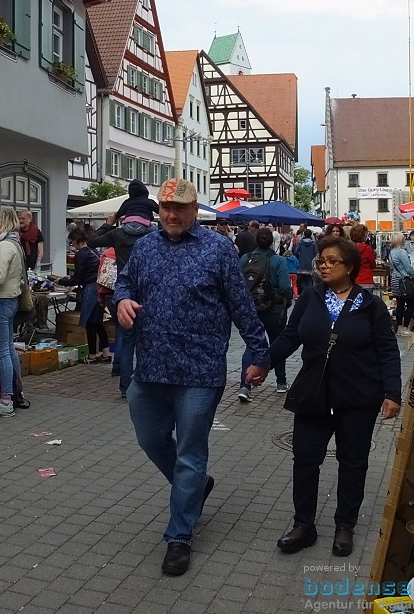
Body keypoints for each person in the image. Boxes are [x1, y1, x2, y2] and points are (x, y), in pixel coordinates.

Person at [113, 178, 270, 576]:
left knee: (189, 453)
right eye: (165, 206)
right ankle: (197, 487)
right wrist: (122, 300)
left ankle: (179, 536)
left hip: (199, 372)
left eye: (179, 208)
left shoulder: (217, 248)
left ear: (194, 209)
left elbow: (240, 304)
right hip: (149, 369)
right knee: (150, 439)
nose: (170, 214)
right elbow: (125, 281)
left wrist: (259, 353)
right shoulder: (146, 245)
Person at [270, 236, 401, 557]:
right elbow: (290, 337)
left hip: (358, 397)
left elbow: (387, 350)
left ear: (350, 267)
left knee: (353, 462)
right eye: (321, 261)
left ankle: (345, 526)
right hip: (314, 395)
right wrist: (261, 362)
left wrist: (392, 393)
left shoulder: (370, 305)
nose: (324, 266)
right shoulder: (310, 298)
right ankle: (304, 525)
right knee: (304, 460)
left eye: (331, 261)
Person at [89, 214, 153, 395]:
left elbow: (92, 241)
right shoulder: (152, 234)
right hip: (147, 293)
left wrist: (108, 223)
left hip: (120, 293)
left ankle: (124, 385)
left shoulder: (116, 237)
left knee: (125, 339)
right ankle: (144, 383)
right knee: (145, 340)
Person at [237, 227, 292, 400]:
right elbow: (284, 286)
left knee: (251, 346)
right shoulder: (278, 261)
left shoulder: (246, 259)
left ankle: (245, 386)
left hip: (252, 309)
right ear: (272, 242)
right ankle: (281, 382)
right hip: (274, 310)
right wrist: (287, 301)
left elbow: (238, 283)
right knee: (278, 343)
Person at [0, 208, 26, 419]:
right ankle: (16, 394)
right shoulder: (15, 243)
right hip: (10, 300)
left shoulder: (3, 246)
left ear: (2, 223)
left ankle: (6, 401)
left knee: (1, 352)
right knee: (8, 349)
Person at [59, 228, 110, 362]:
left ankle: (92, 355)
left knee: (89, 323)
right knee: (98, 323)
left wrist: (62, 281)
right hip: (100, 288)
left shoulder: (81, 255)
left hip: (90, 289)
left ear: (76, 241)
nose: (72, 245)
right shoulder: (94, 251)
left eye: (72, 243)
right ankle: (106, 353)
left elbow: (78, 278)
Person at [387, 232, 414, 335]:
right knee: (411, 303)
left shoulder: (392, 252)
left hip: (395, 279)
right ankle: (405, 327)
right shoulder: (402, 252)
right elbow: (408, 268)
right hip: (405, 280)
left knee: (400, 304)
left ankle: (399, 327)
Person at [293, 229, 320, 295]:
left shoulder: (300, 242)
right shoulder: (313, 243)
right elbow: (316, 254)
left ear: (304, 234)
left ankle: (305, 292)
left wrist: (299, 258)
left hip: (301, 264)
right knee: (310, 280)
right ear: (311, 235)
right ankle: (310, 293)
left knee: (302, 280)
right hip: (310, 265)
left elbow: (296, 252)